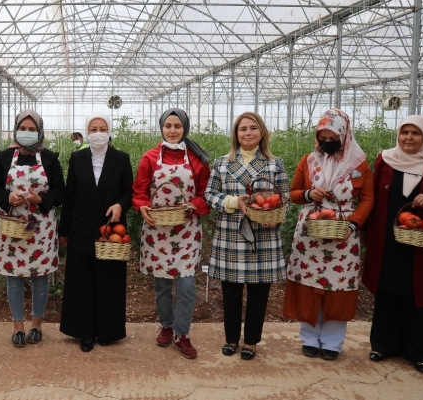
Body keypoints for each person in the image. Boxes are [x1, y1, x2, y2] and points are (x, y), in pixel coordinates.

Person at [362, 115, 423, 374]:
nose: (408, 137)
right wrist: (364, 231)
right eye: (404, 132)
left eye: (415, 133)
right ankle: (383, 345)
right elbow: (372, 195)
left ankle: (419, 352)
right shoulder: (386, 159)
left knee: (420, 293)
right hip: (388, 238)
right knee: (388, 289)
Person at [283, 109, 374, 360]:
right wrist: (308, 194)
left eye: (331, 137)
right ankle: (310, 337)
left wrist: (353, 224)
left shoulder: (359, 165)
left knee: (338, 285)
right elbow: (293, 193)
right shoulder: (308, 160)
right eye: (321, 138)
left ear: (343, 135)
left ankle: (333, 342)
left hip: (344, 232)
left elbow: (367, 199)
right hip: (311, 231)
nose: (326, 143)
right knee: (309, 282)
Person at [204, 111, 289, 360]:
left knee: (258, 293)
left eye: (253, 128)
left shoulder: (275, 164)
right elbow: (209, 195)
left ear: (261, 132)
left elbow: (284, 198)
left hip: (264, 234)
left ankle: (251, 341)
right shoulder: (221, 163)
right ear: (236, 134)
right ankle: (231, 338)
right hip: (230, 234)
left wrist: (275, 212)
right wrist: (233, 201)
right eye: (243, 129)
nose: (248, 133)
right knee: (230, 292)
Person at [132, 108, 210, 359]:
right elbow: (140, 191)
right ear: (162, 127)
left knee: (186, 285)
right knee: (162, 284)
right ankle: (166, 325)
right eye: (168, 126)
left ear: (185, 128)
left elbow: (204, 194)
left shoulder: (196, 159)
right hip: (157, 229)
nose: (173, 130)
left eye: (177, 126)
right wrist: (142, 205)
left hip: (186, 230)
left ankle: (182, 333)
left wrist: (193, 206)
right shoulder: (150, 157)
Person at [0, 110, 65, 347]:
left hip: (41, 225)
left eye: (33, 130)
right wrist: (8, 198)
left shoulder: (50, 158)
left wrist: (40, 200)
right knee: (14, 276)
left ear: (40, 131)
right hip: (13, 224)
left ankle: (36, 324)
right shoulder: (4, 157)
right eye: (24, 128)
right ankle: (18, 327)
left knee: (41, 275)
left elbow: (60, 192)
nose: (28, 133)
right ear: (15, 129)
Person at [58, 114, 133, 352]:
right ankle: (85, 331)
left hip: (112, 229)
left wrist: (120, 204)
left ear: (109, 132)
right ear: (87, 132)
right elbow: (70, 195)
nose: (98, 132)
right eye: (93, 128)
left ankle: (108, 330)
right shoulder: (77, 158)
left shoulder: (121, 159)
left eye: (103, 128)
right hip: (82, 227)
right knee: (82, 281)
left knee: (109, 279)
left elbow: (129, 192)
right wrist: (65, 230)